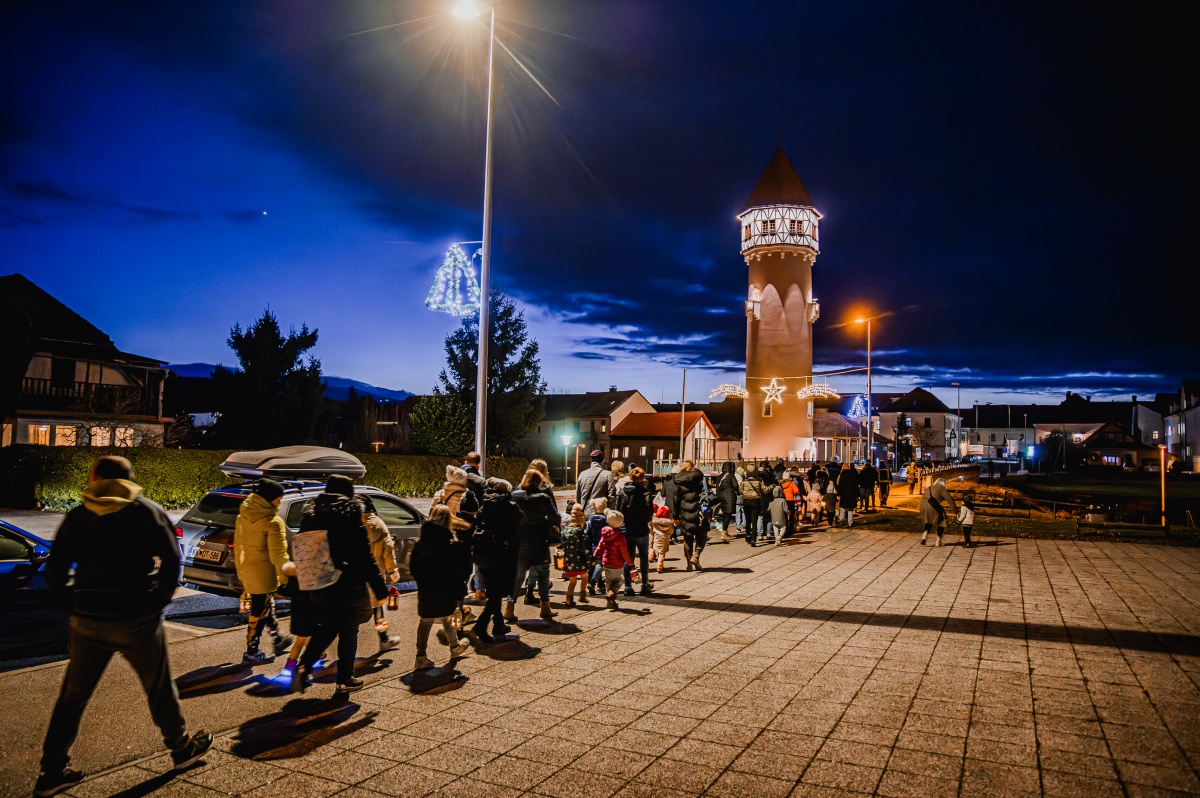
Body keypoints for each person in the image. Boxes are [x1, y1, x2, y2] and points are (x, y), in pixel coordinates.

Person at [36, 456, 212, 796]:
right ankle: (181, 749)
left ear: (97, 478)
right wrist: (156, 601)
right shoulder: (146, 510)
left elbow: (55, 567)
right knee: (158, 686)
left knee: (72, 697)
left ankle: (52, 772)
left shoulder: (79, 514)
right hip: (136, 619)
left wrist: (71, 605)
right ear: (129, 479)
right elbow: (172, 559)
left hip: (87, 621)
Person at [291, 475, 387, 695]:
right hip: (346, 583)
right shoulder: (350, 514)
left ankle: (306, 664)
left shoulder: (311, 513)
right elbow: (363, 556)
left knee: (328, 625)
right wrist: (380, 588)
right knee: (348, 630)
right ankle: (344, 679)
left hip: (316, 580)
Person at [233, 479, 294, 666]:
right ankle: (252, 650)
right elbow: (279, 555)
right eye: (278, 498)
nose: (280, 501)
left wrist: (241, 571)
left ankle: (277, 638)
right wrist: (284, 576)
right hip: (265, 572)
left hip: (248, 569)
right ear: (270, 498)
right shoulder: (273, 522)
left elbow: (238, 545)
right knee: (259, 611)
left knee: (264, 605)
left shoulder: (243, 515)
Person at [410, 505, 473, 669]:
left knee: (425, 621)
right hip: (446, 588)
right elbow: (460, 569)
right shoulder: (450, 543)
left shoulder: (421, 543)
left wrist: (422, 581)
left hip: (427, 588)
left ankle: (421, 656)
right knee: (450, 616)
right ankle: (454, 647)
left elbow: (413, 567)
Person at [471, 478, 521, 643]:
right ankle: (481, 625)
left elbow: (475, 523)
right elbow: (519, 529)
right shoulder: (510, 507)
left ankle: (498, 624)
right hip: (502, 555)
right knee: (497, 593)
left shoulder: (485, 505)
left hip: (483, 553)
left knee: (493, 591)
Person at [508, 469, 560, 621]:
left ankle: (509, 609)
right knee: (543, 573)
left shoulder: (515, 496)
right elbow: (554, 516)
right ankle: (545, 608)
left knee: (518, 576)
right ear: (538, 482)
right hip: (539, 540)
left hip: (520, 540)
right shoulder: (542, 497)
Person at [361, 497, 402, 653]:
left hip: (355, 574)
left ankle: (323, 647)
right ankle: (384, 638)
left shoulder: (353, 523)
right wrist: (393, 571)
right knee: (378, 609)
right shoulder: (378, 524)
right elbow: (388, 550)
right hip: (375, 572)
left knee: (349, 613)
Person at [616, 466, 654, 596]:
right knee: (644, 558)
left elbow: (618, 513)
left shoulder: (622, 493)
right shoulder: (645, 493)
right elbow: (649, 514)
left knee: (629, 558)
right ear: (642, 478)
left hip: (626, 530)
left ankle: (628, 586)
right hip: (642, 530)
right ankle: (645, 584)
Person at [593, 509, 633, 610]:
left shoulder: (604, 535)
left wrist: (596, 556)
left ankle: (611, 603)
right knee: (619, 580)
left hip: (606, 562)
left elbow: (599, 547)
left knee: (609, 582)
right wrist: (630, 564)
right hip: (617, 563)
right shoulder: (620, 537)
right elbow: (624, 552)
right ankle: (611, 594)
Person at [673, 460, 708, 569]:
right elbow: (706, 493)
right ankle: (696, 556)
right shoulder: (699, 479)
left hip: (685, 512)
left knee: (688, 538)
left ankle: (689, 563)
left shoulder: (678, 482)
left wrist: (675, 516)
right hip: (699, 512)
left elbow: (676, 501)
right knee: (702, 536)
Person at [559, 503, 592, 606]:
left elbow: (562, 543)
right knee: (585, 576)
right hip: (580, 560)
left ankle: (569, 599)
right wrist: (589, 560)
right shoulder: (581, 532)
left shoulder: (566, 531)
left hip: (569, 561)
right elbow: (585, 548)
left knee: (572, 581)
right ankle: (582, 595)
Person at [919, 478, 959, 546]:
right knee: (942, 520)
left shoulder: (929, 487)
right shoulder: (941, 488)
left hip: (923, 506)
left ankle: (924, 536)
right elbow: (949, 499)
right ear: (943, 483)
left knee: (929, 521)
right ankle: (938, 540)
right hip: (933, 506)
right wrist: (955, 511)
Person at [739, 463, 767, 546]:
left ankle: (747, 535)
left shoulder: (744, 481)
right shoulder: (759, 481)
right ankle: (753, 539)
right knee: (754, 521)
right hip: (756, 501)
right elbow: (765, 490)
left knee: (748, 520)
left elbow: (740, 491)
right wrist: (771, 487)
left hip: (746, 501)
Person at [585, 497, 607, 595]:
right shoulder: (606, 520)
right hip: (603, 546)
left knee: (594, 565)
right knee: (600, 565)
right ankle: (592, 582)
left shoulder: (591, 520)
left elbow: (588, 533)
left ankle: (601, 585)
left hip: (593, 546)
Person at [715, 461, 740, 542]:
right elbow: (736, 486)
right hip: (729, 497)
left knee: (725, 514)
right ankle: (724, 532)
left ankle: (725, 530)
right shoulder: (730, 476)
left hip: (720, 497)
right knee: (727, 515)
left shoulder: (719, 476)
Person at [650, 504, 674, 572]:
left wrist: (653, 534)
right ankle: (660, 566)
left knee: (655, 548)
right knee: (662, 553)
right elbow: (672, 531)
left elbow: (651, 531)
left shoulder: (655, 523)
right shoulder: (669, 524)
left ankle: (651, 557)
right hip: (665, 539)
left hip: (657, 538)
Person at [836, 461, 860, 527]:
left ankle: (842, 520)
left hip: (844, 493)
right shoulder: (854, 474)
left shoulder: (842, 474)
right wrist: (857, 495)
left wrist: (838, 493)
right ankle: (850, 522)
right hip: (852, 493)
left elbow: (840, 485)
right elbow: (856, 485)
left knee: (842, 508)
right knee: (850, 509)